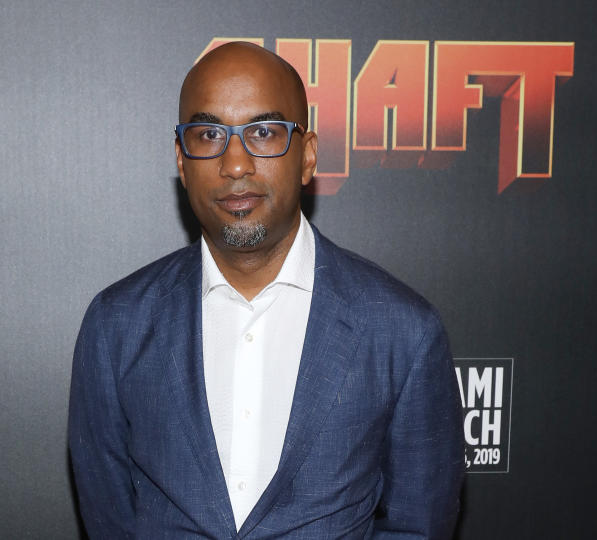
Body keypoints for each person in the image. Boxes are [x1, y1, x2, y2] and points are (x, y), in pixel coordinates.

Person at [68, 42, 464, 539]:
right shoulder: (115, 326)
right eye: (209, 134)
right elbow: (109, 521)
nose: (235, 163)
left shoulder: (404, 331)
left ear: (308, 156)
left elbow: (418, 526)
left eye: (263, 132)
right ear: (182, 160)